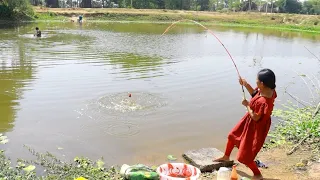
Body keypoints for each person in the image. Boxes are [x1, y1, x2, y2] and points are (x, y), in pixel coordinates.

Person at [213, 68, 277, 180]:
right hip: (249, 121)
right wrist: (245, 84)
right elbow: (254, 93)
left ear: (262, 84)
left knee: (245, 155)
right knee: (232, 135)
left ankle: (257, 174)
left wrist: (247, 105)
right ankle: (226, 156)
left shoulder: (264, 101)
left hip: (256, 126)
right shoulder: (268, 90)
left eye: (257, 81)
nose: (256, 83)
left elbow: (256, 117)